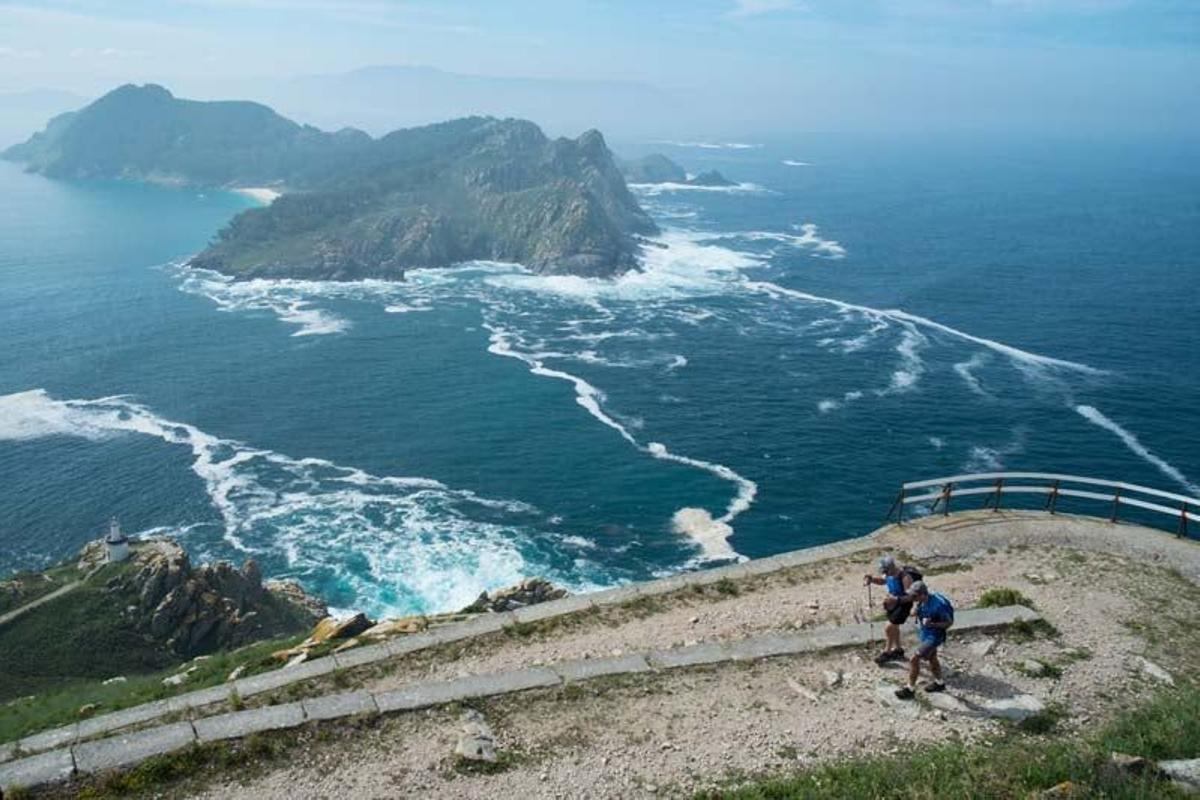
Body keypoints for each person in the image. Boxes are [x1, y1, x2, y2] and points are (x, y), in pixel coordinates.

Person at [895, 580, 954, 699]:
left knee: (914, 659)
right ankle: (939, 683)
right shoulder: (922, 601)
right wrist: (915, 612)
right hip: (925, 633)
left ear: (922, 594)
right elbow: (916, 612)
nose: (912, 598)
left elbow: (948, 623)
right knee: (932, 658)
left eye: (914, 596)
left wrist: (932, 624)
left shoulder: (939, 604)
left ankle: (910, 689)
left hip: (934, 636)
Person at [863, 554, 921, 664]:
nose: (884, 573)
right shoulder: (889, 574)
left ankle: (887, 652)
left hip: (903, 605)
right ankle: (898, 650)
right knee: (894, 627)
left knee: (889, 627)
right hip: (892, 603)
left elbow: (910, 596)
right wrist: (872, 580)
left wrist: (896, 600)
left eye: (885, 571)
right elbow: (883, 581)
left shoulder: (905, 577)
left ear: (891, 567)